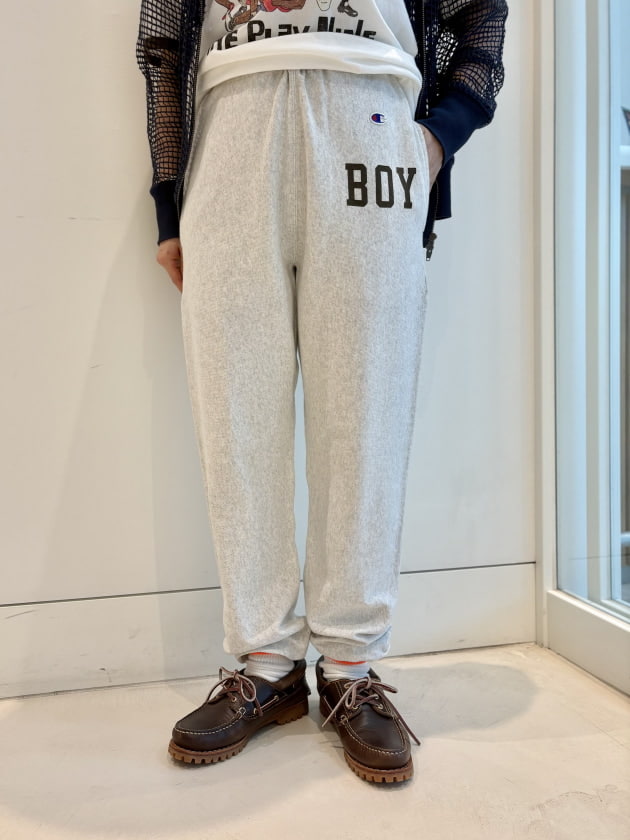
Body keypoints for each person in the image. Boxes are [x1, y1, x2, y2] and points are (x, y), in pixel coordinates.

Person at [136, 0, 507, 784]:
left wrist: (437, 136)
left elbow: (481, 13)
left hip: (369, 113)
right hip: (230, 121)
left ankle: (348, 665)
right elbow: (164, 41)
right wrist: (170, 196)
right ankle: (266, 664)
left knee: (366, 409)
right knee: (235, 410)